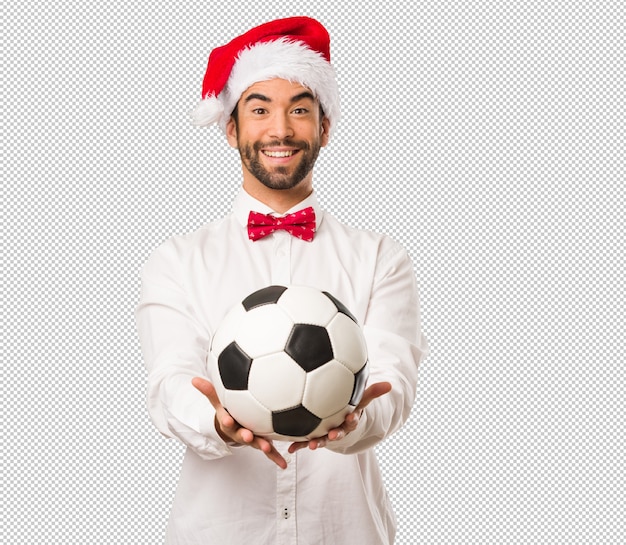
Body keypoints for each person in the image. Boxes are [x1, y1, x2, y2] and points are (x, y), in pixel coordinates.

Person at [135, 16, 428, 545]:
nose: (280, 130)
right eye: (259, 109)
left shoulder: (382, 257)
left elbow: (395, 385)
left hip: (343, 532)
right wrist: (216, 422)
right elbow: (169, 384)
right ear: (231, 128)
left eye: (299, 109)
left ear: (325, 127)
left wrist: (356, 422)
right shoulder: (176, 260)